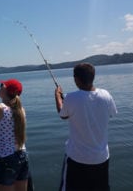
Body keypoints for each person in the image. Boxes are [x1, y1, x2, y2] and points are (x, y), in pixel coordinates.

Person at [54, 63, 117, 191]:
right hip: (102, 158)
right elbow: (111, 113)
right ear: (92, 76)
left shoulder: (71, 97)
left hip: (77, 158)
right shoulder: (106, 95)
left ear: (76, 79)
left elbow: (63, 115)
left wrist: (57, 96)